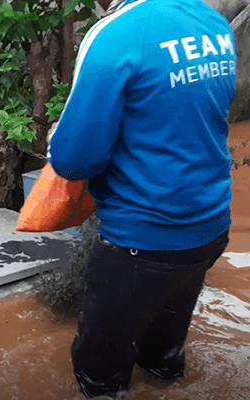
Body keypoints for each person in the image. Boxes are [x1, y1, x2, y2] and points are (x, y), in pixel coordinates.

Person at [47, 0, 236, 398]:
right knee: (163, 357)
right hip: (211, 228)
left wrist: (56, 141)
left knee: (98, 376)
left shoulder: (117, 34)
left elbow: (75, 159)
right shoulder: (213, 24)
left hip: (141, 242)